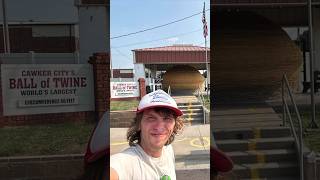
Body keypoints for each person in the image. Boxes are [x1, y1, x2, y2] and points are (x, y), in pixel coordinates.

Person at [110, 89, 184, 180]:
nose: (159, 127)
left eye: (167, 118)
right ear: (139, 124)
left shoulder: (168, 151)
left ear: (174, 125)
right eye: (151, 118)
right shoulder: (126, 163)